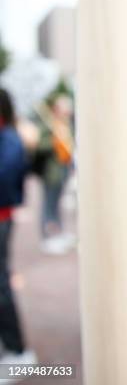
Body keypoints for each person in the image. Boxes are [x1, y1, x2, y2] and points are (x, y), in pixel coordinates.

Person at [0, 88, 37, 368]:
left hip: (2, 216)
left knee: (1, 284)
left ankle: (19, 351)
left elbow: (6, 176)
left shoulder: (11, 138)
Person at [32, 93, 75, 255]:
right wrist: (53, 141)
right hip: (50, 172)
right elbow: (39, 146)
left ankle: (59, 232)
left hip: (62, 171)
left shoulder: (64, 125)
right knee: (48, 204)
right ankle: (47, 235)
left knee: (57, 203)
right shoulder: (47, 125)